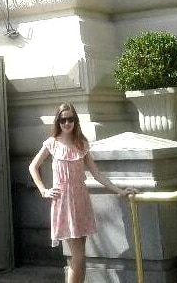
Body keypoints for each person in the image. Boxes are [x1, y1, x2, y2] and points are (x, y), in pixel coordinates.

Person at [28, 102, 136, 283]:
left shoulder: (81, 144)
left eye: (70, 119)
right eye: (63, 120)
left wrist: (120, 191)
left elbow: (97, 174)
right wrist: (44, 190)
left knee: (81, 258)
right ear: (58, 121)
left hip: (81, 202)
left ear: (75, 120)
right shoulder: (51, 143)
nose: (67, 123)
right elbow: (33, 166)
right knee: (78, 258)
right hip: (64, 204)